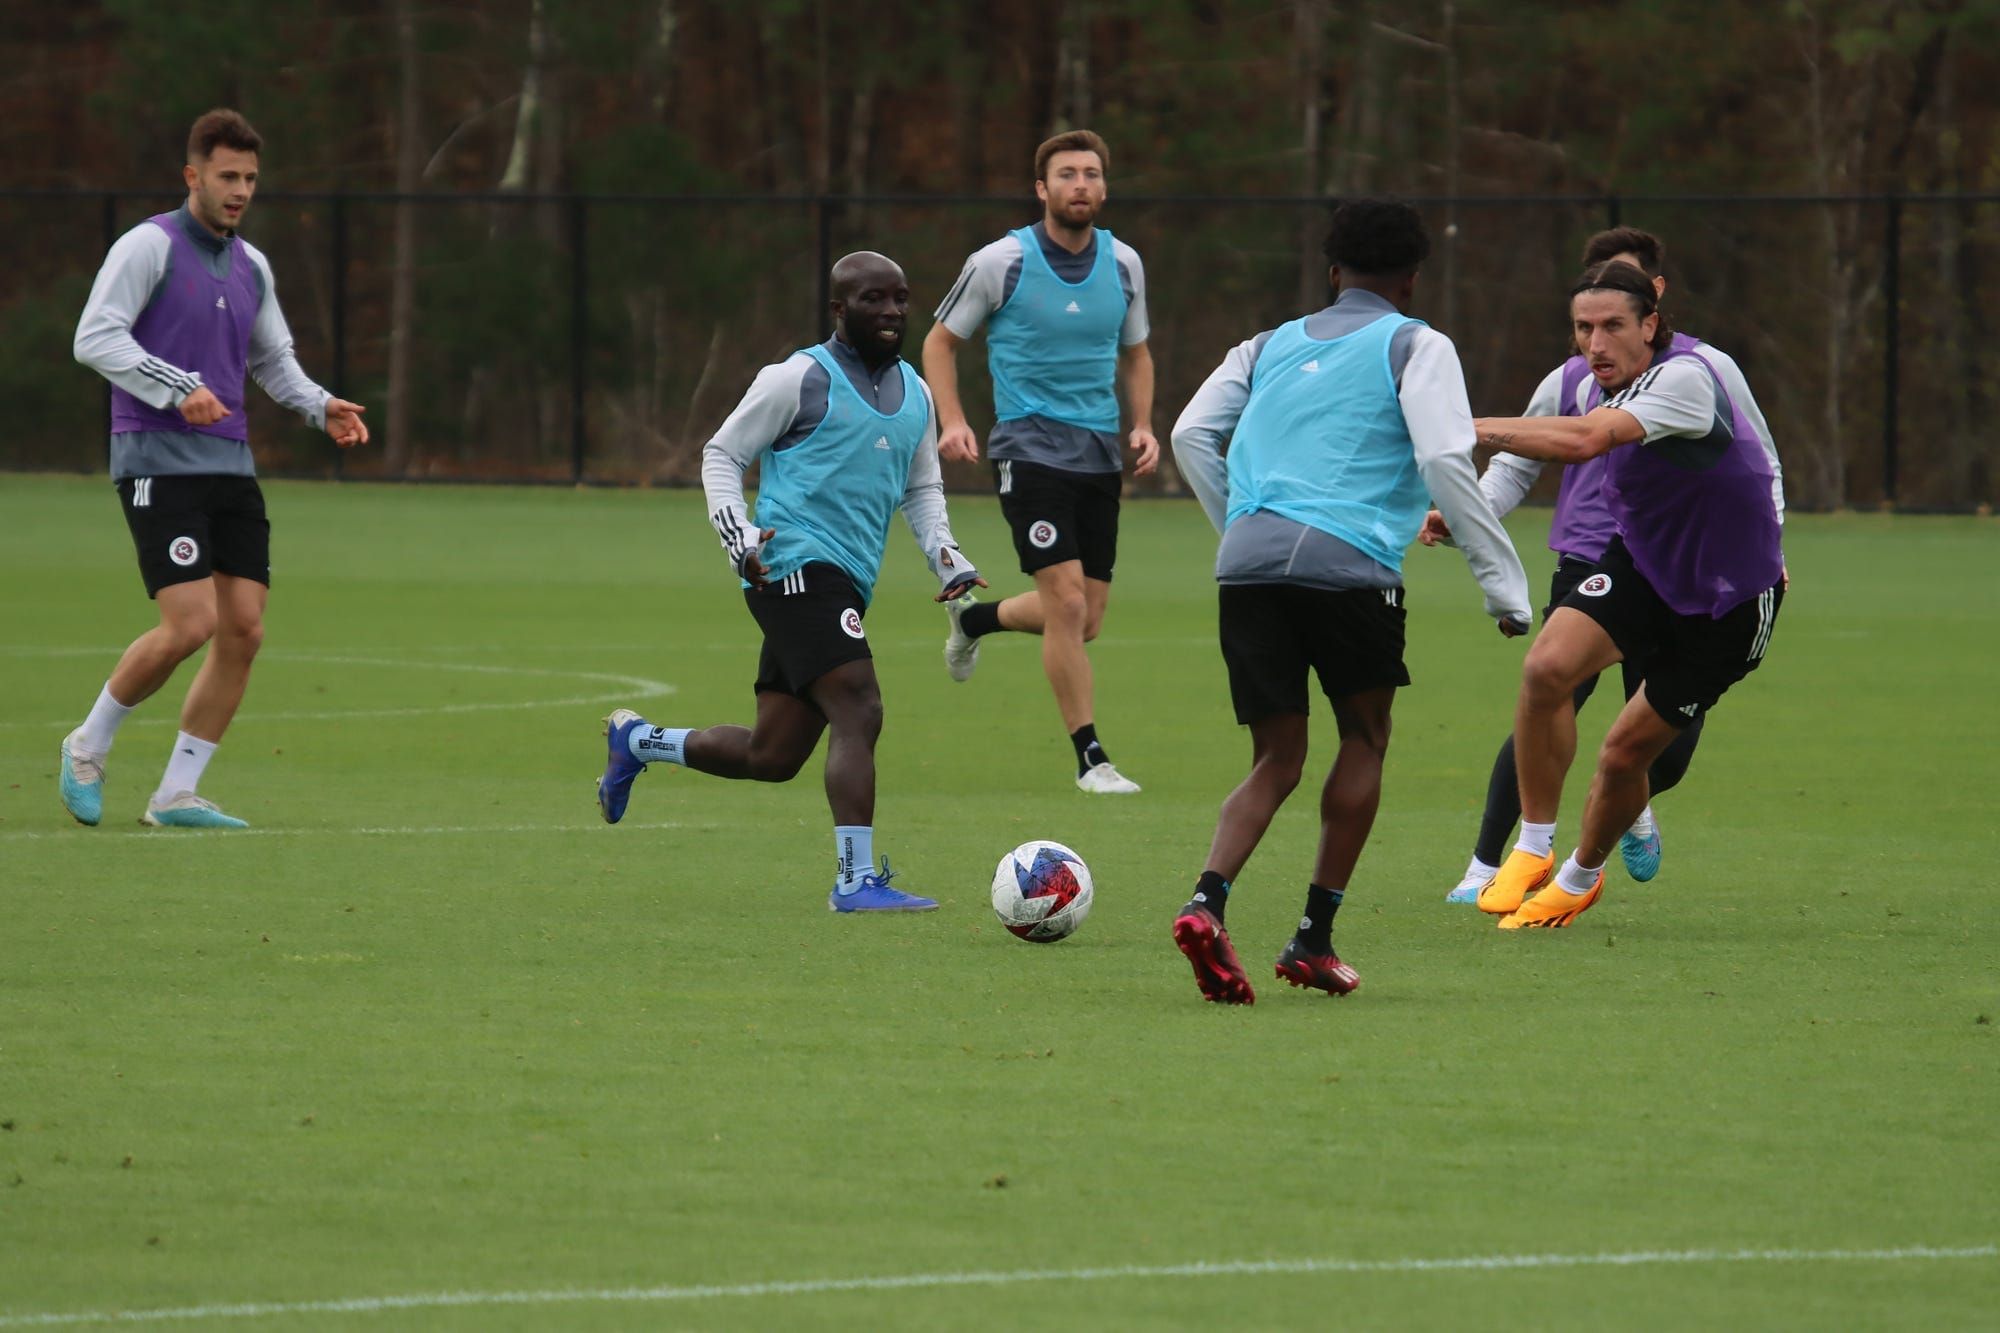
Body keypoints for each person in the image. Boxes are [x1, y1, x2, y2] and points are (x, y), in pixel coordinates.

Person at [1167, 200, 1532, 1003]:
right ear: (1411, 278)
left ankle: (1207, 900)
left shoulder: (1263, 346)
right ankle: (1313, 939)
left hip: (1248, 567)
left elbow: (1190, 433)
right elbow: (1443, 452)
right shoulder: (1417, 343)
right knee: (1364, 736)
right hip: (1351, 570)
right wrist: (1502, 583)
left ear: (1332, 273)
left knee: (1276, 757)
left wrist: (1242, 527)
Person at [597, 251, 983, 913]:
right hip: (791, 565)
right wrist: (738, 537)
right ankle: (855, 881)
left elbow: (920, 488)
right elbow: (722, 453)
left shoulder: (917, 392)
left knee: (772, 754)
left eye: (900, 298)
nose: (891, 311)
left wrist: (946, 557)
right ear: (839, 309)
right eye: (873, 299)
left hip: (845, 580)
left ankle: (639, 741)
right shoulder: (799, 377)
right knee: (860, 705)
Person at [1423, 228, 1784, 902]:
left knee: (1643, 753)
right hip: (1613, 557)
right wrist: (1471, 509)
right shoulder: (1568, 380)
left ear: (1654, 312)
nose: (1595, 341)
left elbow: (1748, 456)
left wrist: (1450, 422)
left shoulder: (1696, 372)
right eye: (1583, 326)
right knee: (1546, 677)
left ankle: (1608, 829)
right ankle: (1502, 858)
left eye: (1613, 323)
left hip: (1711, 586)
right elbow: (1519, 461)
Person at [62, 108, 369, 830]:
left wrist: (318, 405)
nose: (240, 190)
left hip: (230, 463)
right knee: (190, 622)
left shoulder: (252, 264)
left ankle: (175, 796)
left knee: (244, 628)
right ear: (192, 175)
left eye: (251, 178)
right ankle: (87, 742)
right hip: (156, 460)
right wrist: (175, 385)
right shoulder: (147, 245)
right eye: (227, 176)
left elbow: (270, 360)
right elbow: (94, 336)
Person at [922, 129, 1158, 794]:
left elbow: (1136, 353)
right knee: (1066, 600)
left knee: (1087, 617)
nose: (1079, 184)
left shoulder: (1126, 265)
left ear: (1104, 188)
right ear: (1042, 189)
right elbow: (939, 342)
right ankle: (1092, 758)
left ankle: (974, 619)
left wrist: (1143, 424)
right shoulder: (1001, 262)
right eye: (1066, 174)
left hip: (1098, 453)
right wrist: (956, 420)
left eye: (1090, 174)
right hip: (1028, 449)